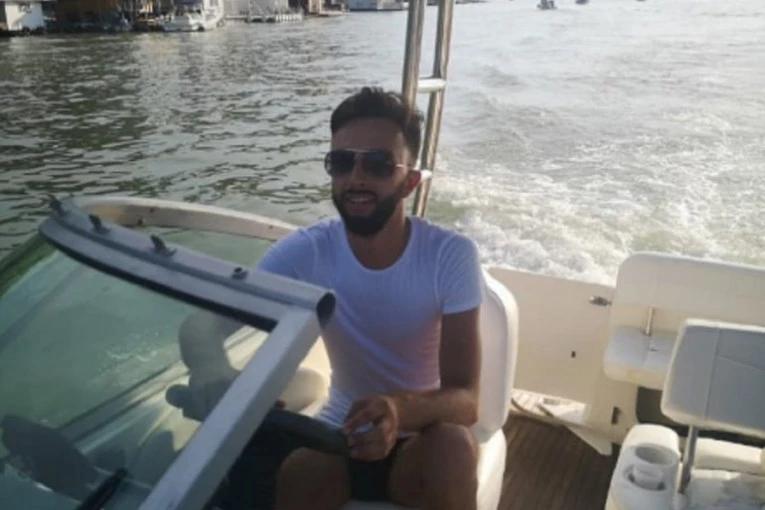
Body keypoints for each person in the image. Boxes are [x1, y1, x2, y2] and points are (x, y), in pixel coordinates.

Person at [256, 86, 486, 510]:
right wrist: (232, 379)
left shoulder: (449, 256)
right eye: (342, 162)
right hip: (339, 436)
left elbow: (467, 401)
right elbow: (216, 320)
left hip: (421, 439)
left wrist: (398, 409)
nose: (357, 178)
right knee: (296, 471)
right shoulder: (305, 251)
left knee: (454, 449)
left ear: (409, 182)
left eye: (378, 164)